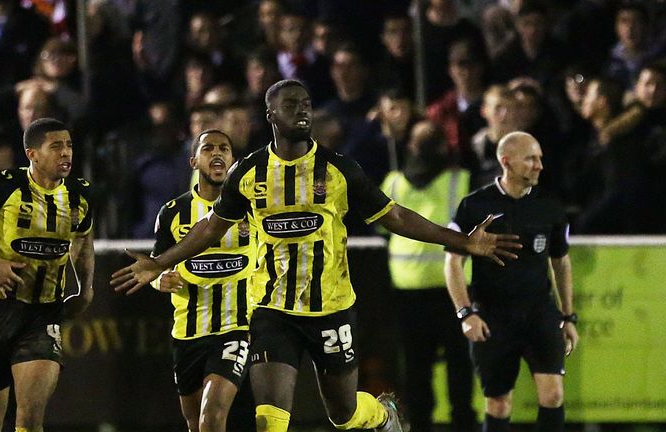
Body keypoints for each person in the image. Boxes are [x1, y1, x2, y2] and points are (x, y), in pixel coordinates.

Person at [111, 79, 520, 432]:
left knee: (342, 413)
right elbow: (211, 227)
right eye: (290, 105)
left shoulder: (338, 169)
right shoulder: (248, 173)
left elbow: (393, 215)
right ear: (270, 114)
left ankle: (380, 413)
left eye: (306, 104)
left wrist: (462, 241)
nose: (302, 111)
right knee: (269, 419)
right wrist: (161, 261)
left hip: (331, 307)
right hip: (272, 308)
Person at [0, 118, 95, 432]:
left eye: (69, 145)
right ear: (32, 154)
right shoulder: (1, 186)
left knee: (30, 420)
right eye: (56, 146)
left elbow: (84, 239)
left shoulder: (80, 194)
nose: (66, 153)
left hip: (43, 314)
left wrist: (86, 287)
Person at [443, 131, 580, 432]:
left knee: (553, 394)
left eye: (540, 158)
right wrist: (466, 313)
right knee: (499, 403)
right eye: (531, 158)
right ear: (506, 161)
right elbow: (453, 261)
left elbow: (560, 261)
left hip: (539, 313)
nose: (539, 165)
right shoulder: (475, 206)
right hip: (494, 315)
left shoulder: (549, 206)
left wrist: (568, 315)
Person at [149, 129, 256, 432]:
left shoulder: (252, 208)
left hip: (236, 329)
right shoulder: (173, 212)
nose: (218, 153)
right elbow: (156, 266)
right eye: (208, 148)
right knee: (196, 424)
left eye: (224, 148)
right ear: (194, 160)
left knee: (211, 419)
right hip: (188, 334)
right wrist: (161, 281)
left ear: (233, 160)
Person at [380, 121, 476, 432]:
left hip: (431, 292)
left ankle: (426, 425)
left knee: (426, 369)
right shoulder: (459, 179)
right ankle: (452, 423)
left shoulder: (395, 182)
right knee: (448, 369)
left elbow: (380, 228)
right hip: (442, 293)